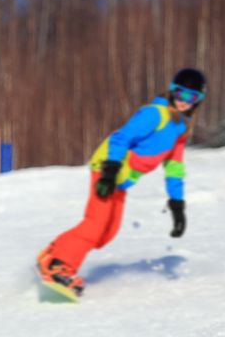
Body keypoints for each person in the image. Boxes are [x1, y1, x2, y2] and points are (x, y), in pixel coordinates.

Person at [37, 68, 206, 296]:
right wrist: (110, 170)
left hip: (121, 179)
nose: (184, 101)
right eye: (180, 93)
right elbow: (121, 137)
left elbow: (175, 166)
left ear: (198, 101)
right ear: (172, 90)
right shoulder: (155, 114)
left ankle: (54, 254)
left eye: (191, 97)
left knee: (107, 232)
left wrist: (177, 204)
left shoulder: (180, 129)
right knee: (95, 224)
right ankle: (58, 265)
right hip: (108, 168)